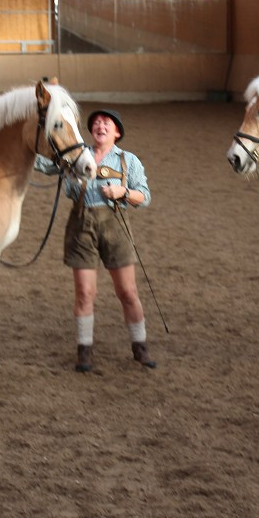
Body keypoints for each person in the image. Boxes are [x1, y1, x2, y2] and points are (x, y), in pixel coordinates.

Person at [39, 108, 155, 373]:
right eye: (96, 123)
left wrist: (122, 191)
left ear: (116, 132)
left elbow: (144, 196)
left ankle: (140, 346)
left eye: (107, 123)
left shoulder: (129, 161)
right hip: (81, 228)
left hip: (115, 227)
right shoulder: (74, 158)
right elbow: (40, 161)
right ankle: (84, 352)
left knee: (128, 292)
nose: (100, 126)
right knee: (84, 293)